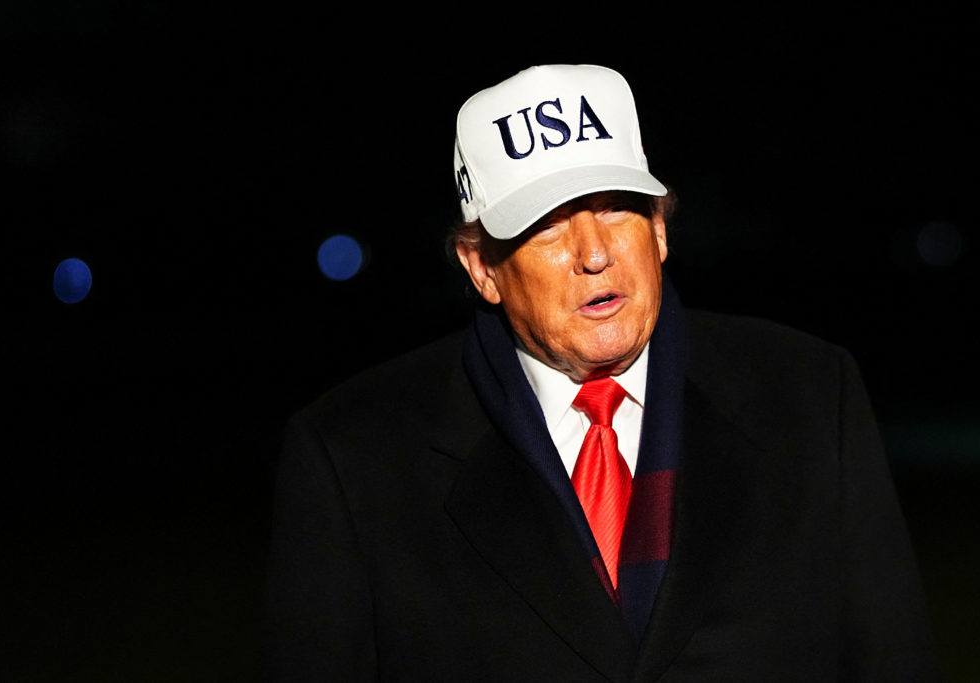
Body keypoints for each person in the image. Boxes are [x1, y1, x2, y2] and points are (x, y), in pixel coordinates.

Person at [263, 64, 942, 681]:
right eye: (548, 225)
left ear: (661, 227)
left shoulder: (812, 396)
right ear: (481, 268)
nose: (594, 253)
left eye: (616, 206)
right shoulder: (353, 457)